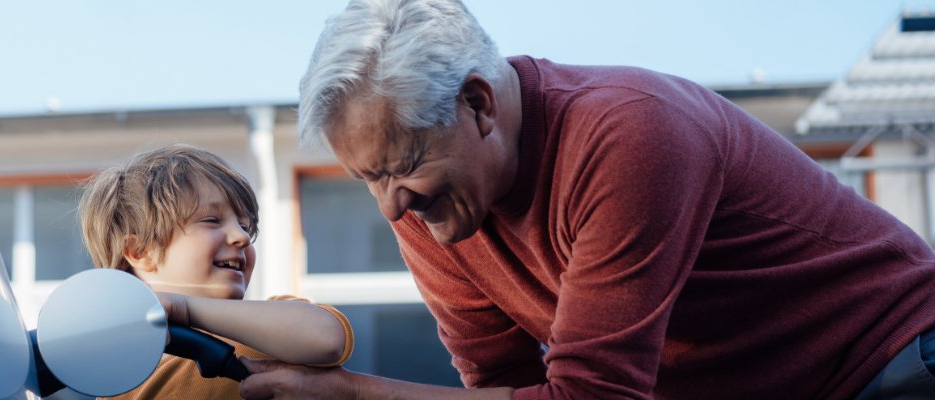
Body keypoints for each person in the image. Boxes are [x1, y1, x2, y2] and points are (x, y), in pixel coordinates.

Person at [238, 0, 935, 399]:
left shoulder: (629, 133)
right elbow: (504, 385)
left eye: (399, 168)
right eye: (367, 179)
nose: (391, 208)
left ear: (479, 105)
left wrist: (357, 395)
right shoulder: (438, 203)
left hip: (891, 362)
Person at [77, 145, 356, 399]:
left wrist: (185, 308)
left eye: (246, 227)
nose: (242, 237)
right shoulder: (116, 379)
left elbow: (327, 338)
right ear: (141, 252)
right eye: (211, 220)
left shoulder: (266, 330)